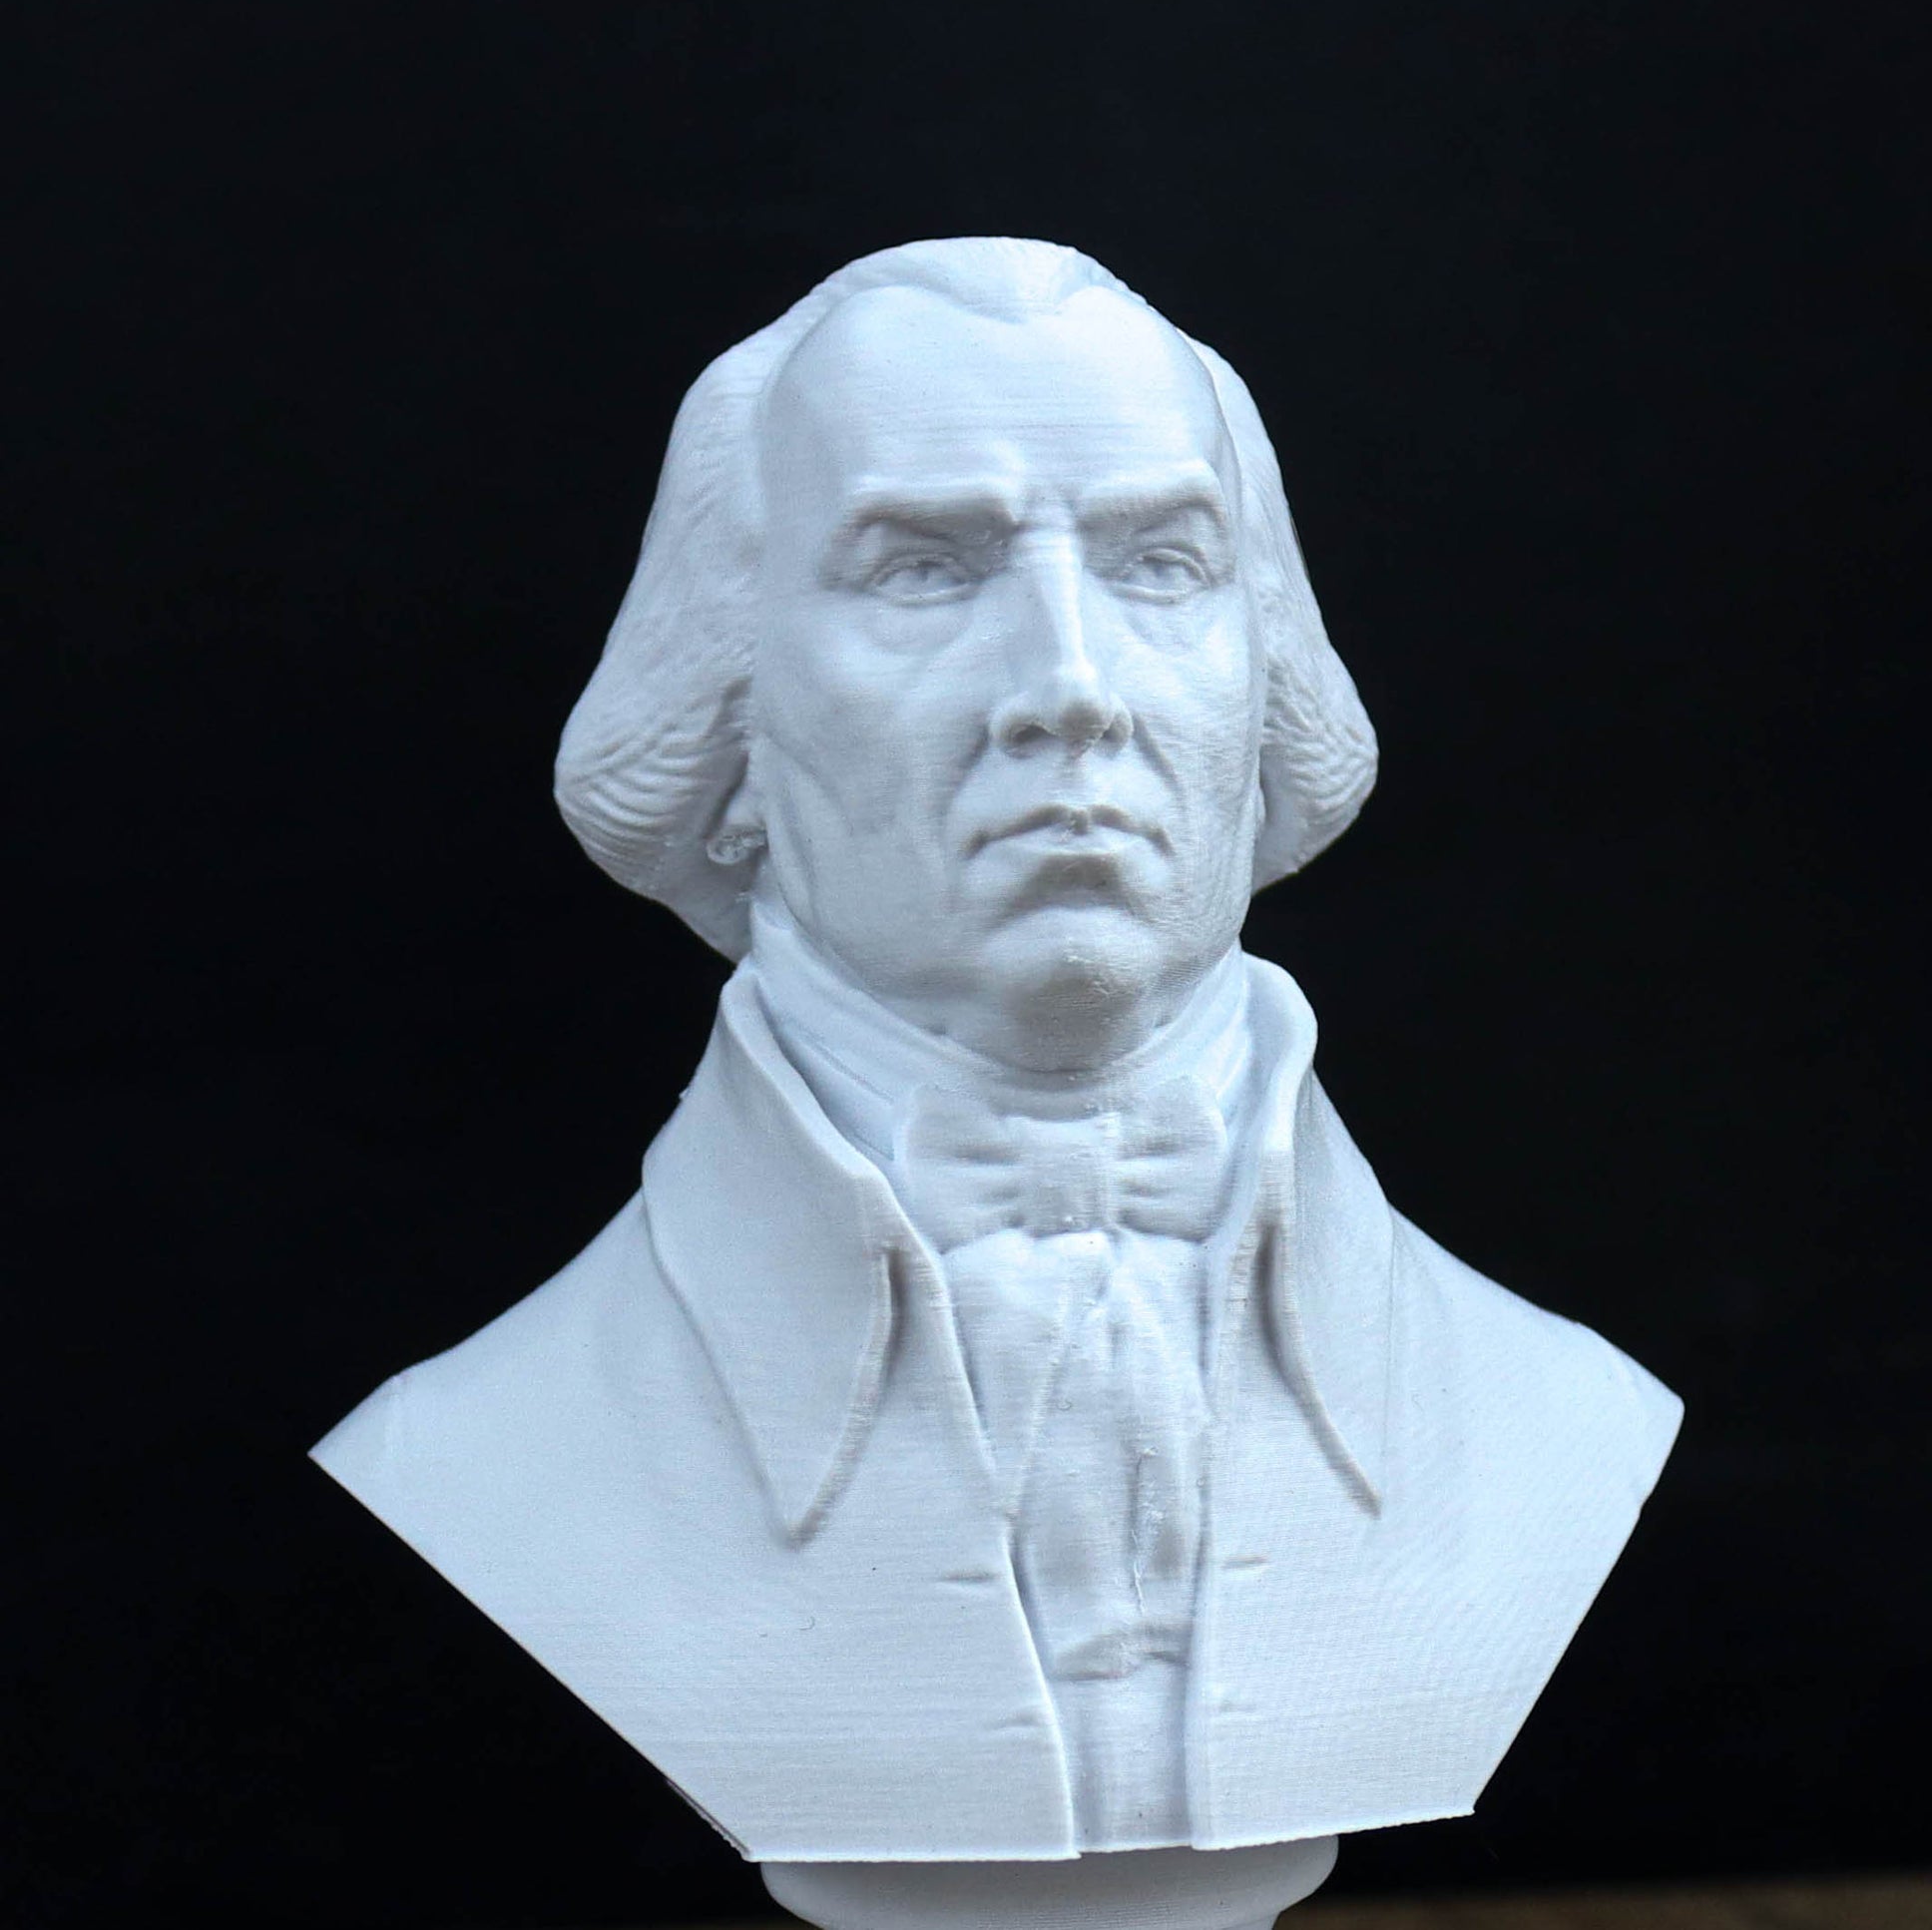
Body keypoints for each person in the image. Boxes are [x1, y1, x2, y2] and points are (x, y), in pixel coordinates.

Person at [314, 240, 1679, 1903]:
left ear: (1263, 703)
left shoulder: (1553, 1415)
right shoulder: (483, 1452)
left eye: (1161, 563)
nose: (1070, 688)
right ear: (730, 725)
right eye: (920, 571)